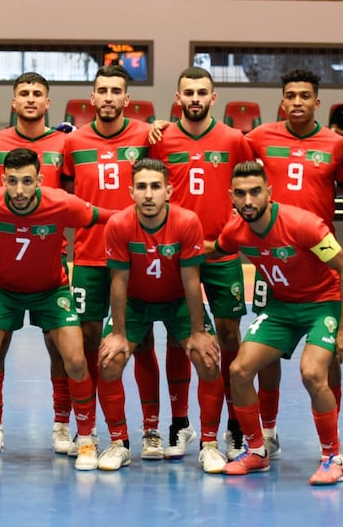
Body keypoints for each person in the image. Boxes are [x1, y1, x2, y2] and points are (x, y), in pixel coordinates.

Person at [0, 147, 104, 471]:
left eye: (26, 181)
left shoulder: (61, 203)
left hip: (51, 290)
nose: (19, 190)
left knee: (76, 360)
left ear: (39, 179)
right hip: (1, 289)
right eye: (11, 181)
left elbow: (105, 217)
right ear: (1, 180)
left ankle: (84, 437)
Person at [208, 160, 343, 485]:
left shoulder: (304, 225)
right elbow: (213, 251)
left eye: (255, 192)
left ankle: (332, 457)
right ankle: (257, 451)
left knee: (313, 373)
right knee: (239, 371)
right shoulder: (235, 231)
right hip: (281, 310)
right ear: (230, 196)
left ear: (269, 194)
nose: (248, 201)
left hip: (322, 305)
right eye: (241, 194)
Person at [151, 66, 255, 470]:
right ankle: (180, 423)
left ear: (214, 98)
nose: (195, 98)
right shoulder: (161, 139)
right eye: (188, 93)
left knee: (228, 333)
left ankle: (235, 423)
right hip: (177, 255)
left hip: (221, 255)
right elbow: (152, 191)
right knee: (180, 335)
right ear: (178, 98)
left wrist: (227, 239)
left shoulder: (234, 140)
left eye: (202, 92)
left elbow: (248, 196)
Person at [243, 69, 343, 457]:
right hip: (272, 265)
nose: (298, 102)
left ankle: (332, 443)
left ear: (317, 102)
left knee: (326, 361)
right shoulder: (258, 139)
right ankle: (267, 432)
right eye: (291, 96)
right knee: (266, 352)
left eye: (306, 96)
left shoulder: (337, 145)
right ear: (282, 102)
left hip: (320, 263)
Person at [95, 159, 220, 472]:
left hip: (178, 300)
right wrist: (119, 333)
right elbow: (119, 281)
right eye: (141, 187)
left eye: (155, 187)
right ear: (131, 192)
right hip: (136, 302)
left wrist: (198, 332)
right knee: (109, 362)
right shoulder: (119, 224)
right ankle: (120, 443)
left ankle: (209, 443)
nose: (148, 194)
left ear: (169, 190)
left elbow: (192, 280)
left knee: (208, 360)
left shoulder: (187, 221)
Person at [0, 71, 69, 454]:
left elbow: (74, 196)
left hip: (50, 261)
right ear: (13, 102)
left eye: (37, 94)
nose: (30, 99)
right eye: (23, 93)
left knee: (60, 349)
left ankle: (62, 426)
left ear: (48, 103)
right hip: (5, 265)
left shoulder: (65, 142)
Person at [59, 64, 151, 457]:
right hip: (89, 258)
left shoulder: (147, 136)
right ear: (91, 98)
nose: (109, 97)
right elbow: (65, 194)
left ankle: (148, 430)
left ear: (127, 99)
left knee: (137, 345)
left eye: (117, 91)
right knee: (90, 343)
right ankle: (89, 429)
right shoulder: (73, 142)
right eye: (103, 90)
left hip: (135, 261)